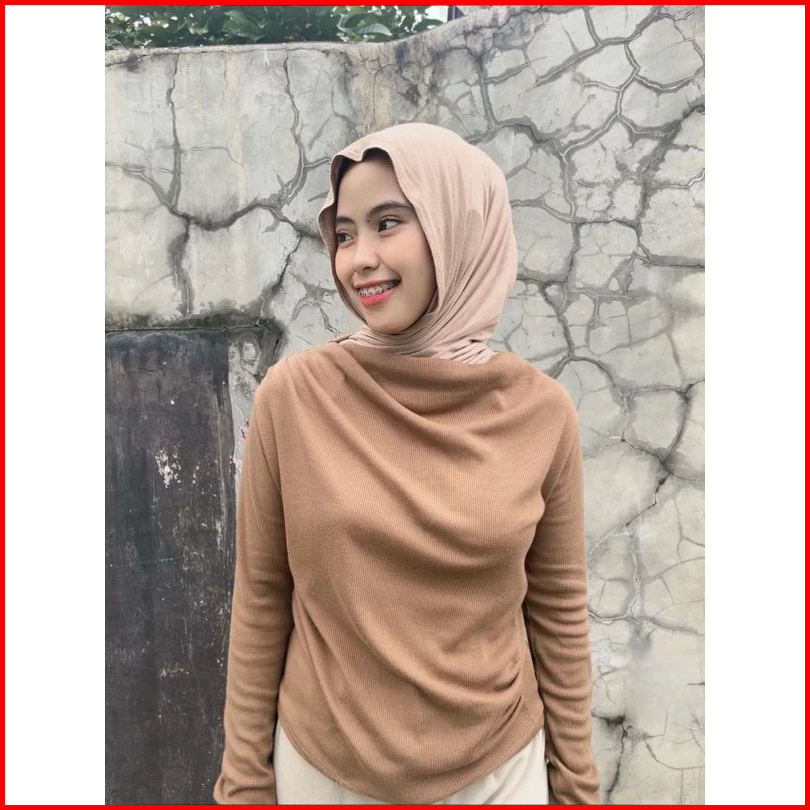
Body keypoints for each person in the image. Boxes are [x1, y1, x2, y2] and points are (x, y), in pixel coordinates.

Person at [213, 123, 601, 805]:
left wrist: (577, 789)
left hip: (499, 773)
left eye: (388, 223)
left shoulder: (541, 413)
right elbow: (263, 596)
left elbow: (558, 609)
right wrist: (244, 787)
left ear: (458, 226)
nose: (359, 259)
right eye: (344, 234)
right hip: (326, 774)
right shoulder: (294, 397)